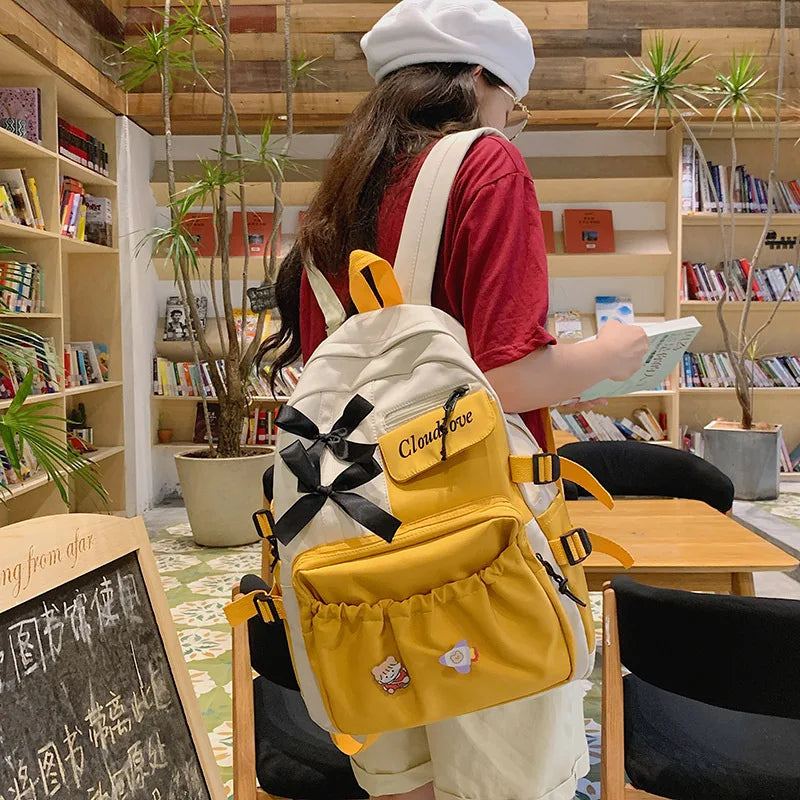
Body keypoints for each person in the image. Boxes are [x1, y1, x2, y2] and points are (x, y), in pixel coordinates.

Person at [260, 1, 648, 798]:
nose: (509, 122)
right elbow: (502, 380)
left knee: (403, 780)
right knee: (509, 777)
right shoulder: (485, 163)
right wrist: (608, 358)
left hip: (348, 549)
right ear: (479, 79)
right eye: (513, 103)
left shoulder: (337, 205)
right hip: (474, 543)